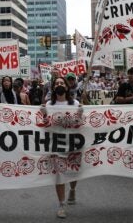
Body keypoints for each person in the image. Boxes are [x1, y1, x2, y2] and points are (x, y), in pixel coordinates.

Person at [45, 76, 79, 218]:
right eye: (56, 83)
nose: (59, 85)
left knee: (73, 171)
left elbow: (80, 123)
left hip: (73, 142)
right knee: (59, 174)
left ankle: (72, 188)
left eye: (62, 83)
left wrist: (81, 113)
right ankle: (61, 204)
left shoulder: (75, 103)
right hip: (56, 143)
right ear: (53, 88)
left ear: (66, 87)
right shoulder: (48, 105)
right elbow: (45, 124)